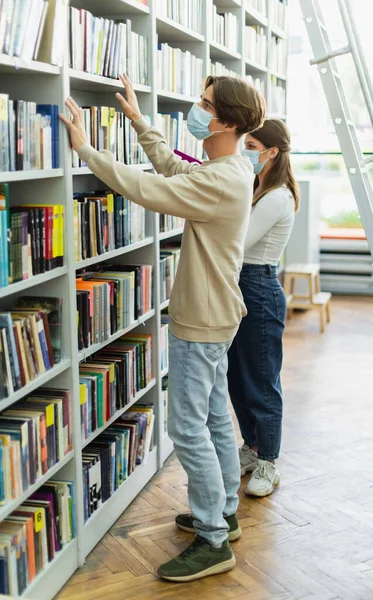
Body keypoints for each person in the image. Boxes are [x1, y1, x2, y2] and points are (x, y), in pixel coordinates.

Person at [60, 74, 265, 582]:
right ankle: (222, 514)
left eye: (205, 104)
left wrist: (87, 149)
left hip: (202, 320)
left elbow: (152, 189)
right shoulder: (231, 167)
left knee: (186, 428)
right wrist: (139, 123)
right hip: (217, 316)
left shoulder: (220, 179)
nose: (197, 109)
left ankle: (213, 539)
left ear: (226, 121)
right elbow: (177, 170)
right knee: (215, 419)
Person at [227, 119, 300, 498]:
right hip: (238, 285)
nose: (245, 150)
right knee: (236, 379)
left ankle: (268, 461)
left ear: (272, 152)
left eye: (252, 145)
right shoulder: (257, 188)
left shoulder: (277, 196)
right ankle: (252, 448)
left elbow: (239, 241)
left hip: (258, 288)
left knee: (261, 381)